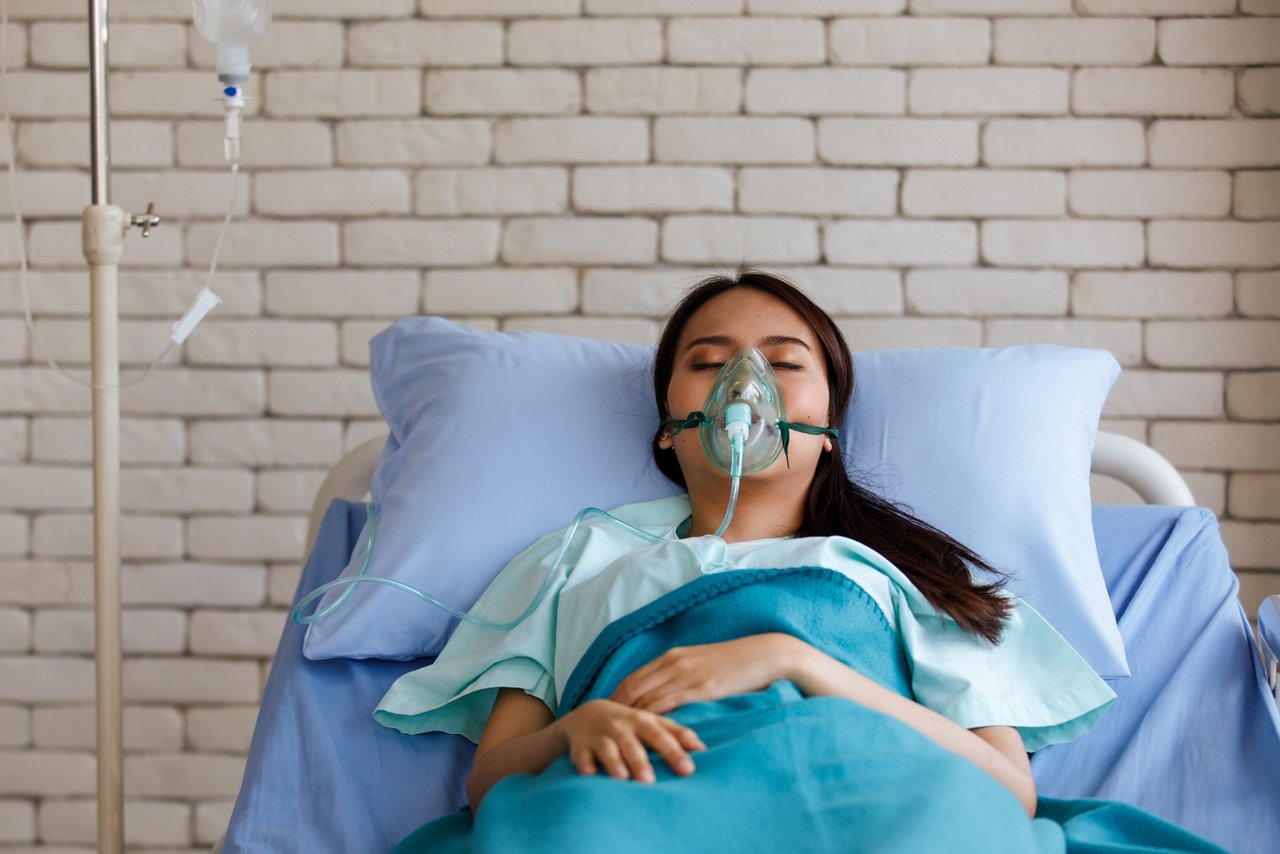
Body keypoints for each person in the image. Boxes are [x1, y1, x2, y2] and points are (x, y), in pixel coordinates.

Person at [377, 270, 1223, 853]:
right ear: (669, 425)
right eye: (707, 365)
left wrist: (793, 659)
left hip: (882, 788)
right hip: (635, 791)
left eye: (785, 364)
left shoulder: (905, 575)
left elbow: (1010, 787)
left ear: (830, 424)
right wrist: (576, 728)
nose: (746, 384)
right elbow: (491, 782)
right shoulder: (578, 557)